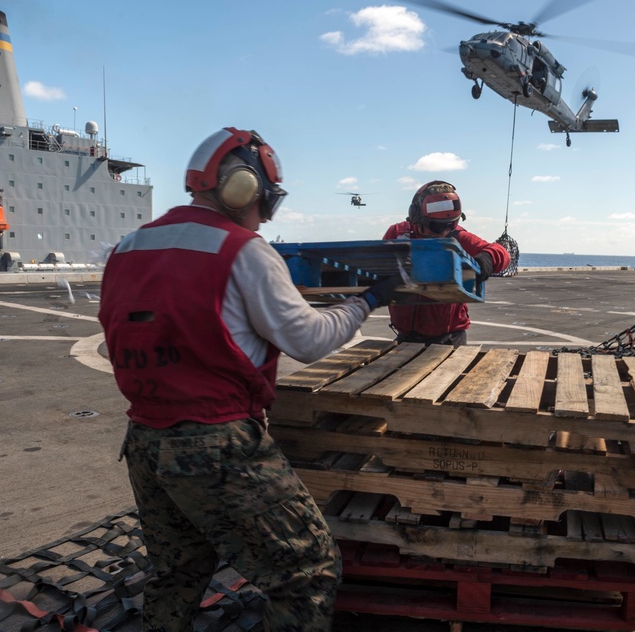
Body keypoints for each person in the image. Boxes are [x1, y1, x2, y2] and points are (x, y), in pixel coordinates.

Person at [98, 127, 401, 631]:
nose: (264, 215)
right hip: (217, 443)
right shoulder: (244, 250)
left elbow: (118, 340)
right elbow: (307, 340)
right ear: (242, 189)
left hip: (144, 441)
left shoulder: (129, 248)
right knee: (307, 570)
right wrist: (364, 302)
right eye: (266, 202)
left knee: (177, 569)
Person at [383, 180, 510, 345]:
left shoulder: (456, 237)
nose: (444, 232)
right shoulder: (398, 233)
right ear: (416, 216)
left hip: (448, 338)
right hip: (407, 336)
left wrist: (486, 259)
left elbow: (502, 253)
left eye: (451, 225)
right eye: (436, 226)